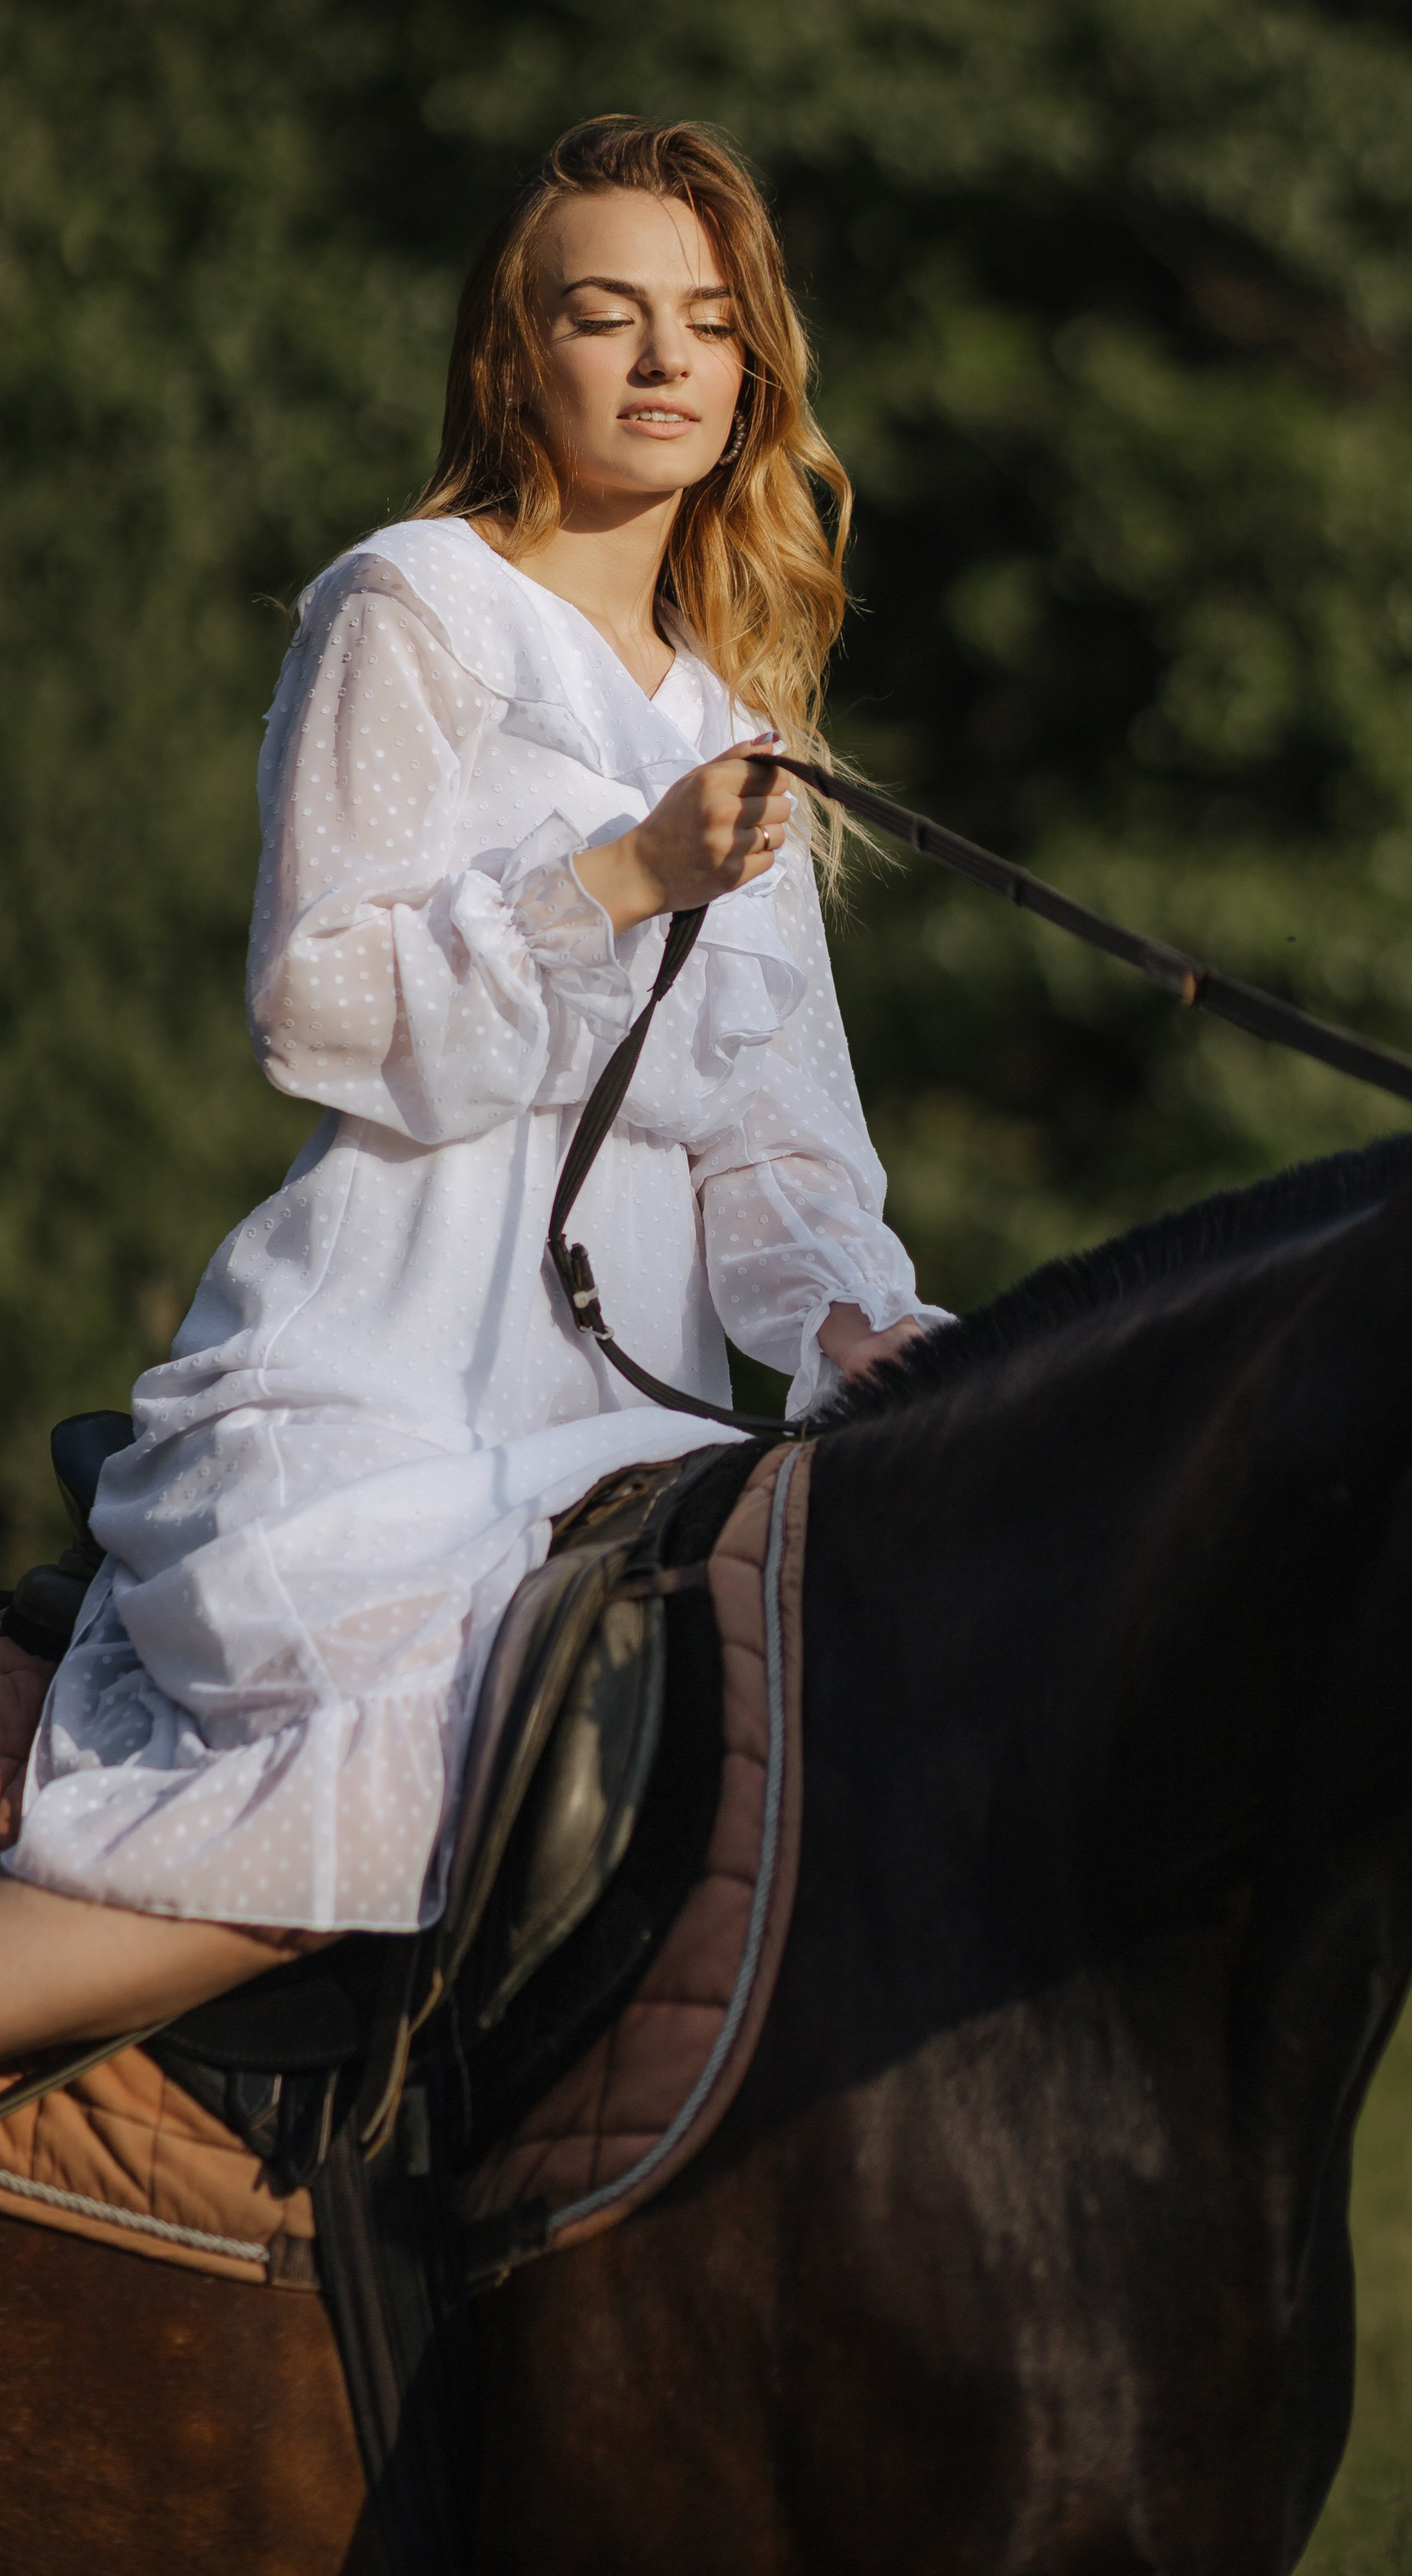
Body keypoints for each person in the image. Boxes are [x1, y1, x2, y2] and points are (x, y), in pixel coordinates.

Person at [0, 116, 933, 2059]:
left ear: (752, 369)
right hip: (391, 1378)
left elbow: (778, 1147)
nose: (667, 361)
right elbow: (314, 1001)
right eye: (608, 318)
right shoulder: (408, 605)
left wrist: (862, 1329)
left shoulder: (740, 726)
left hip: (634, 1426)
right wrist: (618, 879)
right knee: (424, 1776)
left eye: (706, 324)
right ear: (516, 359)